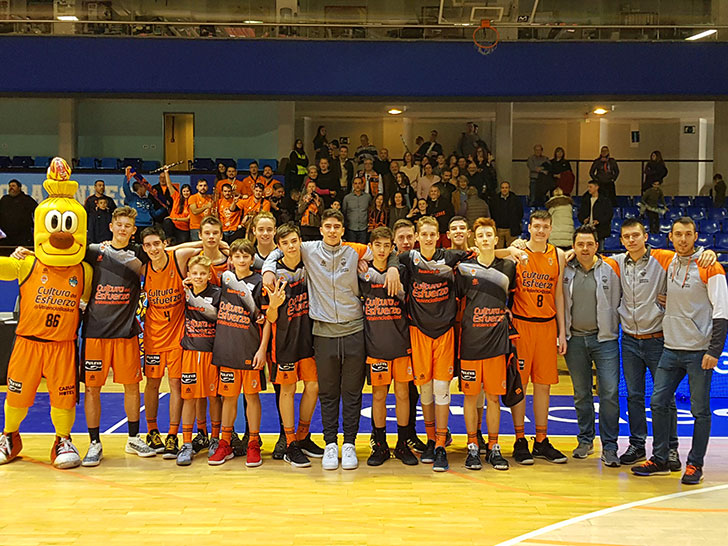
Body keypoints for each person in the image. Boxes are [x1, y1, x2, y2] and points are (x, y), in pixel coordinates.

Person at [261, 209, 400, 471]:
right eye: (328, 226)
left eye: (337, 226)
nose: (333, 230)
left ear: (343, 230)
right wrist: (268, 270)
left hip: (354, 330)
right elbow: (279, 250)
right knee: (327, 392)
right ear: (321, 229)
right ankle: (330, 443)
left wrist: (392, 267)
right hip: (323, 333)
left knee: (352, 392)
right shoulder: (308, 249)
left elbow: (384, 251)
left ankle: (349, 443)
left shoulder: (354, 250)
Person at [0, 163, 92, 469]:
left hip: (63, 345)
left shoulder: (84, 270)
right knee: (17, 396)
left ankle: (62, 439)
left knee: (63, 399)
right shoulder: (26, 264)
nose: (62, 232)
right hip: (27, 343)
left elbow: (91, 300)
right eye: (55, 224)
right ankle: (10, 436)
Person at [610, 218, 717, 468]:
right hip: (629, 340)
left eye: (636, 235)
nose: (631, 240)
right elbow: (591, 259)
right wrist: (570, 252)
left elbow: (690, 254)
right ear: (622, 240)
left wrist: (708, 252)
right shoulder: (616, 262)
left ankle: (670, 449)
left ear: (645, 236)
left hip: (659, 339)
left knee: (664, 399)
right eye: (626, 237)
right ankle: (637, 445)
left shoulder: (665, 258)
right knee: (634, 395)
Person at [632, 217, 728, 485]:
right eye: (678, 235)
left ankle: (695, 465)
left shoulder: (711, 266)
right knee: (658, 401)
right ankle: (661, 459)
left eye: (688, 234)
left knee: (700, 411)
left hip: (700, 352)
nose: (683, 239)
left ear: (696, 236)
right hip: (670, 348)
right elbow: (635, 248)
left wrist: (715, 350)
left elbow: (722, 312)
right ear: (670, 238)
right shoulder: (668, 261)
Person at [81, 206, 157, 466]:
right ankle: (94, 443)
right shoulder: (94, 251)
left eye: (128, 225)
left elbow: (170, 252)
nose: (123, 228)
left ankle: (133, 438)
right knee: (92, 389)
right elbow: (62, 254)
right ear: (111, 226)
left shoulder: (139, 254)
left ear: (133, 231)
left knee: (132, 386)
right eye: (119, 224)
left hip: (126, 333)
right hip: (95, 333)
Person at [397, 217, 471, 472]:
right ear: (417, 236)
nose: (428, 238)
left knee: (442, 390)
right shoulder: (408, 259)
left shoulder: (449, 257)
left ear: (438, 235)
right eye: (424, 234)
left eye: (432, 234)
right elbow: (376, 256)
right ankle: (430, 440)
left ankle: (440, 444)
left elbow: (485, 252)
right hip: (418, 333)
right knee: (425, 391)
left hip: (444, 333)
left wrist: (513, 249)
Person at [456, 218, 516, 471]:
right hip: (470, 342)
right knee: (470, 397)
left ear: (495, 239)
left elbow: (511, 299)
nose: (484, 239)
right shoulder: (463, 269)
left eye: (488, 235)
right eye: (480, 235)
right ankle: (472, 446)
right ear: (475, 240)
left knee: (493, 398)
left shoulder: (509, 267)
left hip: (496, 343)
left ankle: (493, 447)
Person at [509, 210, 568, 465]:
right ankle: (520, 439)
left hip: (546, 327)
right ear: (529, 227)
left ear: (551, 228)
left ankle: (541, 440)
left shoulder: (559, 255)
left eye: (545, 227)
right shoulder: (517, 253)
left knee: (543, 386)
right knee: (520, 386)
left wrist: (561, 330)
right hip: (522, 326)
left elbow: (559, 295)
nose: (541, 231)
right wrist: (511, 246)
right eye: (536, 226)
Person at [562, 225, 622, 467]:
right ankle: (585, 440)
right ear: (573, 247)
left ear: (597, 245)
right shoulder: (564, 268)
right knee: (581, 393)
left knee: (609, 393)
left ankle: (610, 446)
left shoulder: (612, 268)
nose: (585, 248)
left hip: (604, 340)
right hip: (574, 339)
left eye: (589, 244)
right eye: (580, 244)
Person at [208, 239, 271, 468]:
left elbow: (267, 321)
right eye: (237, 256)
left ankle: (253, 442)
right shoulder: (224, 278)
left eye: (246, 256)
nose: (242, 260)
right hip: (226, 348)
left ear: (252, 259)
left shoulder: (259, 282)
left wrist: (262, 349)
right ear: (231, 259)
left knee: (252, 397)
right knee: (229, 398)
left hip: (249, 349)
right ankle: (225, 442)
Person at [265, 223, 322, 468]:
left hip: (308, 337)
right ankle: (290, 443)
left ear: (300, 241)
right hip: (284, 341)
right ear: (279, 247)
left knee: (313, 386)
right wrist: (274, 305)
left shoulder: (310, 266)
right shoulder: (273, 275)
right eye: (285, 243)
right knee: (287, 391)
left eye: (293, 241)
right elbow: (269, 318)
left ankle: (301, 436)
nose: (290, 246)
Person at [360, 227, 418, 467]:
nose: (382, 250)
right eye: (378, 245)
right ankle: (380, 444)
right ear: (371, 247)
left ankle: (403, 443)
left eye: (387, 245)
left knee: (403, 394)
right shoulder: (361, 272)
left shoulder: (402, 270)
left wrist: (394, 268)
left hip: (401, 342)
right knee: (379, 396)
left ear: (392, 248)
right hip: (376, 346)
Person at [139, 226, 199, 459]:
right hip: (153, 337)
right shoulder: (143, 268)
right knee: (152, 384)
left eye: (157, 243)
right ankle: (152, 432)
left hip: (177, 337)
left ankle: (173, 435)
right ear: (143, 248)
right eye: (148, 245)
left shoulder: (177, 258)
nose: (153, 249)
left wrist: (172, 248)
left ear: (165, 243)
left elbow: (205, 245)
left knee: (176, 386)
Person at [175, 256, 222, 466]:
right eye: (195, 273)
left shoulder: (217, 294)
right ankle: (186, 442)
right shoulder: (183, 293)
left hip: (212, 353)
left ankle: (214, 438)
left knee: (213, 397)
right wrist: (184, 286)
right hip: (190, 353)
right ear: (189, 275)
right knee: (190, 398)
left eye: (203, 273)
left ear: (209, 274)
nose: (199, 277)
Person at [0, 180, 36, 251]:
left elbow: (37, 210)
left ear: (19, 188)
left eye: (13, 186)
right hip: (6, 236)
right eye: (9, 186)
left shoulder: (26, 199)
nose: (11, 188)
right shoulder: (4, 199)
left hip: (23, 236)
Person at [577, 180, 612, 249]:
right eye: (588, 187)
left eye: (591, 187)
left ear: (596, 187)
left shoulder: (604, 201)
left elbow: (609, 214)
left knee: (600, 250)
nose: (589, 189)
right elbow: (581, 212)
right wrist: (583, 219)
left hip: (600, 230)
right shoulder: (586, 200)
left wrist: (599, 221)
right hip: (588, 229)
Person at [490, 181, 523, 249]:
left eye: (506, 187)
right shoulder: (494, 200)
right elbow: (492, 212)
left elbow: (520, 212)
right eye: (502, 188)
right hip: (499, 229)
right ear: (500, 189)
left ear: (509, 188)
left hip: (511, 229)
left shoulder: (515, 199)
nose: (504, 189)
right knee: (499, 250)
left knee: (512, 249)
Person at [161, 170, 191, 244]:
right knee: (167, 221)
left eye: (187, 191)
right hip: (173, 225)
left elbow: (188, 219)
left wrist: (174, 218)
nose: (186, 193)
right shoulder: (177, 197)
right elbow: (169, 185)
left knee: (181, 245)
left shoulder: (192, 201)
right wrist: (166, 173)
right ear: (181, 192)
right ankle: (168, 239)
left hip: (184, 229)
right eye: (184, 191)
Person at [342, 177, 371, 244]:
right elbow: (344, 212)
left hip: (364, 228)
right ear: (353, 185)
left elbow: (370, 211)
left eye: (359, 183)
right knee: (351, 249)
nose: (357, 185)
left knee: (363, 248)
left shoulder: (368, 197)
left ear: (362, 185)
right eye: (355, 183)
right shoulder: (347, 198)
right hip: (351, 228)